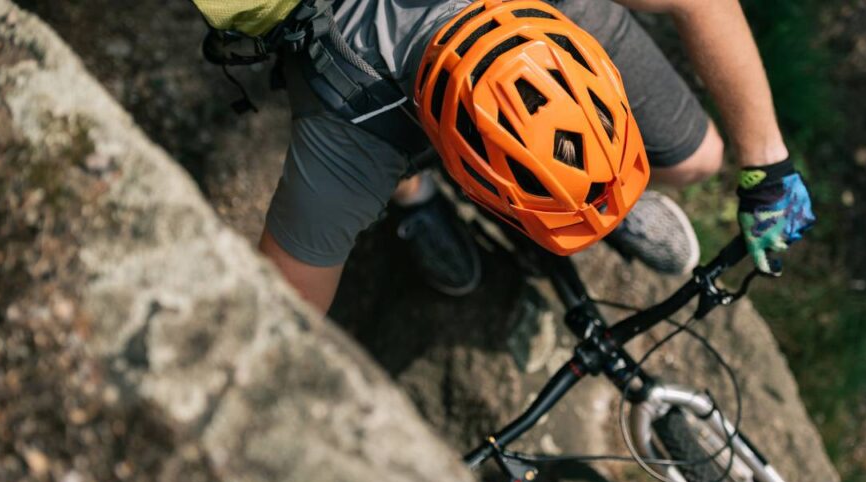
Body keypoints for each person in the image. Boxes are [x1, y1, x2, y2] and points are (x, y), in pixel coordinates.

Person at [235, 0, 816, 313]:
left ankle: (583, 186)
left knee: (697, 159)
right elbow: (282, 313)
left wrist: (767, 165)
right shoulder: (345, 142)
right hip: (372, 96)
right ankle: (414, 191)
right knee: (386, 165)